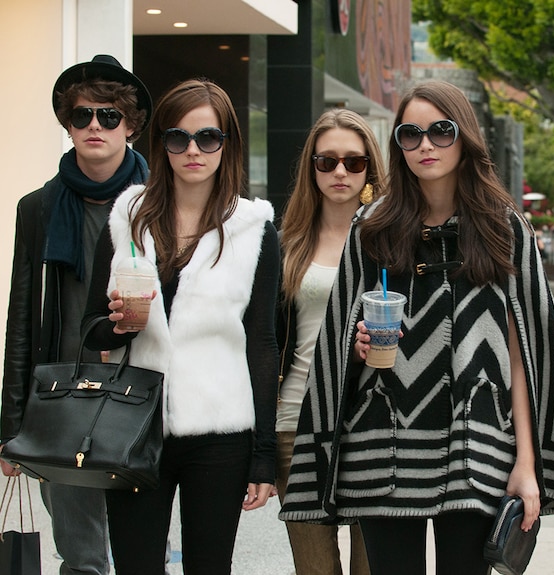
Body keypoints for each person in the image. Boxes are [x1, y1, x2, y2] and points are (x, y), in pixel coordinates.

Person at [280, 80, 554, 574]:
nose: (425, 144)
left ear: (465, 136)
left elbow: (524, 354)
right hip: (381, 444)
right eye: (410, 134)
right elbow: (337, 343)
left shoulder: (504, 228)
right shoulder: (370, 228)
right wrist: (357, 344)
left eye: (440, 130)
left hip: (476, 444)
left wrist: (526, 462)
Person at [81, 78, 279, 574]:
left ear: (227, 143)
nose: (193, 150)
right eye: (178, 138)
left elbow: (262, 343)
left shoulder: (254, 228)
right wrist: (119, 327)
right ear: (162, 144)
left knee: (209, 566)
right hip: (133, 421)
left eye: (207, 138)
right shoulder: (128, 215)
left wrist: (263, 456)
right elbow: (91, 325)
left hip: (220, 430)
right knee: (135, 565)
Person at [0, 54, 151, 575]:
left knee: (142, 550)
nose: (95, 126)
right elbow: (22, 318)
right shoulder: (39, 207)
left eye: (109, 116)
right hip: (64, 396)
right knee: (82, 557)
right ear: (67, 124)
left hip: (144, 389)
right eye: (82, 115)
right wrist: (11, 424)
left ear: (130, 125)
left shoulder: (159, 202)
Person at [276, 108, 384, 574]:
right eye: (326, 162)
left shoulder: (390, 240)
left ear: (370, 168)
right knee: (314, 568)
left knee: (373, 566)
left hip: (372, 422)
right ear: (311, 168)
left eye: (353, 162)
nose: (340, 172)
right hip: (295, 421)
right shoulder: (286, 243)